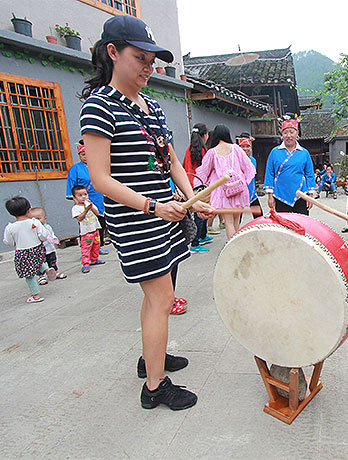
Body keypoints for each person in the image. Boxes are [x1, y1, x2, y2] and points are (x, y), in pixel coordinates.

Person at [80, 14, 213, 410]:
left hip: (168, 215)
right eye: (140, 58)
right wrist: (154, 206)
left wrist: (192, 196)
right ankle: (155, 386)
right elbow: (100, 179)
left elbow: (170, 159)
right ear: (112, 53)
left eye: (152, 61)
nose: (148, 68)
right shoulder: (98, 107)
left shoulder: (150, 105)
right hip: (139, 221)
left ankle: (149, 357)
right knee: (161, 298)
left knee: (160, 295)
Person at [194, 125, 256, 239]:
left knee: (228, 222)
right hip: (238, 189)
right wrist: (243, 181)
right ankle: (237, 244)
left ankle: (232, 248)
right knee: (237, 220)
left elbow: (203, 172)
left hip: (223, 192)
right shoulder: (236, 148)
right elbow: (248, 167)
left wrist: (197, 187)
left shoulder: (212, 152)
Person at [3, 196, 56, 303]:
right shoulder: (34, 222)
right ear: (28, 210)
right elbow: (44, 235)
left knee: (29, 274)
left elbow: (8, 241)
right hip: (37, 248)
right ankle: (46, 269)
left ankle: (36, 296)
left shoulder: (10, 227)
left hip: (22, 251)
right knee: (38, 260)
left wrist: (15, 242)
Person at [264, 118, 316, 214]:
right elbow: (269, 173)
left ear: (297, 133)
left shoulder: (304, 153)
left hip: (301, 195)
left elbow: (309, 174)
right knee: (284, 226)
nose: (288, 136)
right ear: (282, 134)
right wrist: (270, 196)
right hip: (280, 195)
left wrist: (310, 196)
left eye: (292, 132)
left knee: (301, 224)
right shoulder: (275, 152)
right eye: (285, 132)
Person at [66, 140, 109, 255]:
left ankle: (98, 247)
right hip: (84, 204)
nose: (86, 157)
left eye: (87, 154)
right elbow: (71, 191)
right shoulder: (75, 169)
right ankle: (86, 250)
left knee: (99, 225)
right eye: (83, 154)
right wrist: (79, 205)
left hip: (99, 201)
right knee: (86, 227)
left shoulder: (98, 166)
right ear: (79, 155)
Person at [183, 123, 212, 253]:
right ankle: (194, 244)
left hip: (190, 184)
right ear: (205, 135)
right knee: (201, 214)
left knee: (201, 212)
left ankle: (202, 236)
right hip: (200, 185)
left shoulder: (189, 149)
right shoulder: (204, 150)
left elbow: (184, 167)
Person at [71, 185, 105, 274]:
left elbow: (97, 213)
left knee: (96, 245)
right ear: (74, 198)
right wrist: (86, 210)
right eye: (80, 195)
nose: (83, 197)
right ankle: (85, 264)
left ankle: (94, 259)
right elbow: (79, 218)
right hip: (86, 232)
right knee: (86, 248)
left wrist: (91, 207)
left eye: (85, 194)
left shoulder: (91, 204)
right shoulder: (76, 208)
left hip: (95, 229)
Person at [29, 207, 67, 284]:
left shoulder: (47, 227)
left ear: (44, 218)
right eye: (33, 219)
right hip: (39, 251)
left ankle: (55, 273)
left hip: (50, 249)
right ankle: (41, 277)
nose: (37, 221)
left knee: (52, 262)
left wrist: (55, 239)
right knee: (39, 264)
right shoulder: (32, 229)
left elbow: (52, 235)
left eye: (39, 218)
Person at [237, 132, 263, 219]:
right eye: (242, 146)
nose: (245, 149)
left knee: (259, 217)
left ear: (251, 148)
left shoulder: (253, 160)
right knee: (237, 219)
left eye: (247, 146)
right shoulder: (235, 160)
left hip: (252, 194)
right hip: (239, 194)